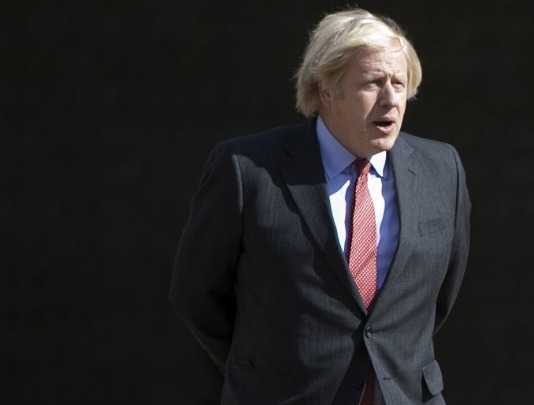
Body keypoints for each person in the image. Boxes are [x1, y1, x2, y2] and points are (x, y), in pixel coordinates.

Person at [169, 8, 471, 404]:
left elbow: (437, 298)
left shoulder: (442, 169)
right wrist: (263, 369)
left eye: (399, 83)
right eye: (373, 83)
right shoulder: (247, 169)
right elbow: (197, 295)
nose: (390, 99)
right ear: (327, 90)